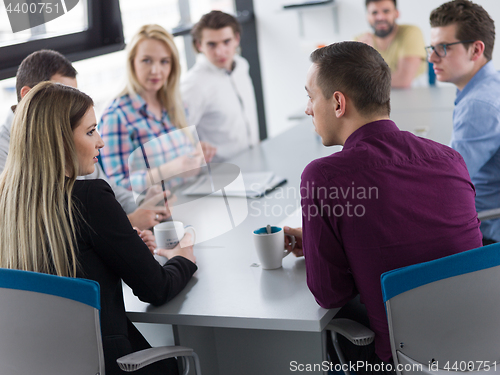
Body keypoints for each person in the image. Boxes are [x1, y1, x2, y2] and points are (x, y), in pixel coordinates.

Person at [284, 41, 482, 373]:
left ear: (337, 103)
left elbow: (330, 294)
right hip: (479, 342)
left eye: (310, 96)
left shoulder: (324, 176)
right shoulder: (450, 159)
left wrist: (325, 247)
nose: (307, 109)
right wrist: (322, 238)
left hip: (404, 358)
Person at [0, 81, 197, 375]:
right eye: (91, 131)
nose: (101, 142)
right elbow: (157, 288)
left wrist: (125, 248)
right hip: (110, 365)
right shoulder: (91, 199)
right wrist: (183, 258)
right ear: (60, 140)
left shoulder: (8, 205)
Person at [0, 49, 168, 230]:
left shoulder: (72, 135)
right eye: (61, 93)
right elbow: (41, 227)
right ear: (28, 96)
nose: (71, 104)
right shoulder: (5, 154)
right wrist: (128, 223)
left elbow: (108, 191)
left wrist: (144, 205)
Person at [99, 25, 216, 194]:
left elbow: (183, 160)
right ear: (132, 62)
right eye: (146, 60)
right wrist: (168, 170)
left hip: (193, 196)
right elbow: (117, 186)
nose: (156, 71)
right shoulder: (116, 116)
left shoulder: (177, 104)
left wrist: (196, 155)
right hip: (158, 212)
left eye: (164, 61)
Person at [428, 0, 500, 245]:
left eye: (443, 47)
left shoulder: (478, 105)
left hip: (487, 232)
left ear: (476, 50)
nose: (431, 58)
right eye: (432, 47)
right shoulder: (492, 85)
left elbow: (446, 186)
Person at [181, 10, 260, 161]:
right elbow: (179, 135)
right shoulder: (193, 84)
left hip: (252, 160)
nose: (220, 52)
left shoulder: (241, 65)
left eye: (226, 42)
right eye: (211, 44)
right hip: (222, 173)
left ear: (237, 39)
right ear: (199, 45)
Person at [356, 0, 427, 88]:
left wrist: (367, 61)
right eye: (374, 13)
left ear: (396, 13)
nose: (380, 17)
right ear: (367, 17)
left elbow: (403, 80)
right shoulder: (359, 41)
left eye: (386, 11)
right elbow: (350, 80)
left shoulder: (410, 33)